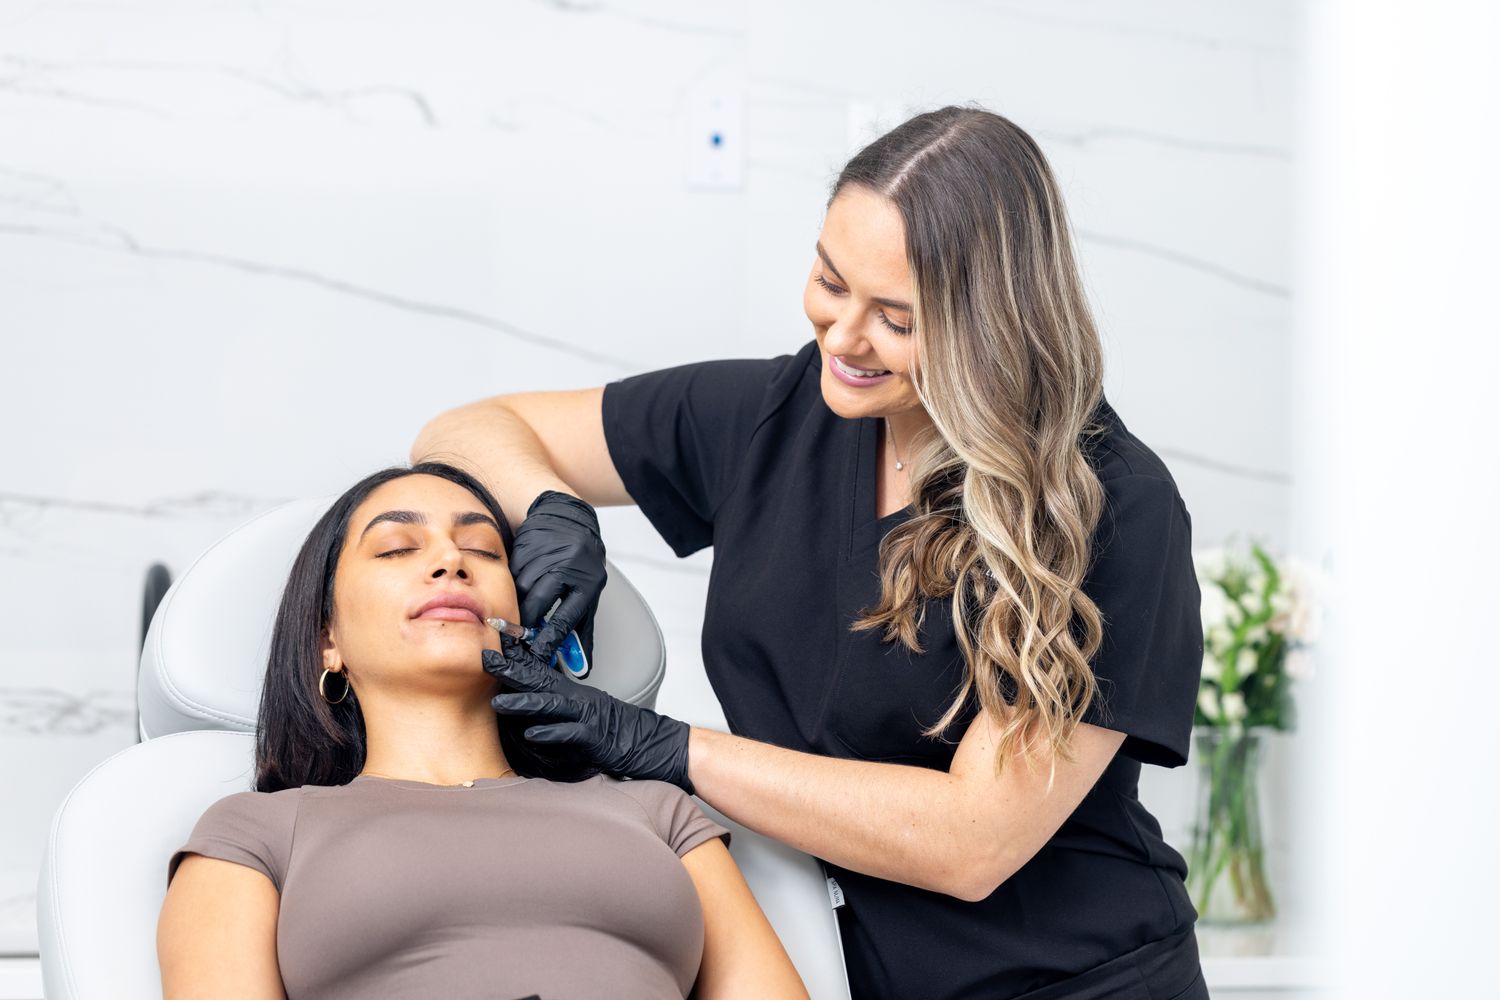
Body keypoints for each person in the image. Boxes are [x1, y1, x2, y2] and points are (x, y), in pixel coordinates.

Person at [412, 104, 1211, 1000]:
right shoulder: (776, 418)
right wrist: (553, 509)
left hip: (1073, 981)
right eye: (830, 283)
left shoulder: (1107, 505)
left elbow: (973, 842)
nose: (840, 338)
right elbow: (468, 431)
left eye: (896, 321)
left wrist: (664, 748)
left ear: (994, 324)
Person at [156, 462, 810, 1000]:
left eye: (482, 550)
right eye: (397, 547)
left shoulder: (656, 811)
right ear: (328, 640)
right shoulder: (257, 834)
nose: (449, 561)